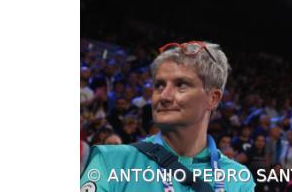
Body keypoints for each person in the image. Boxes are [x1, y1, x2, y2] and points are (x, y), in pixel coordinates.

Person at [80, 40, 255, 191]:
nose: (164, 96)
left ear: (212, 98)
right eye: (159, 85)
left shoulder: (238, 179)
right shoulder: (110, 161)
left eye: (181, 85)